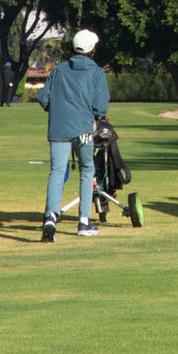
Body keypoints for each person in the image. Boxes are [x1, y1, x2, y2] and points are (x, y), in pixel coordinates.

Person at [39, 29, 110, 243]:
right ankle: (84, 221)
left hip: (58, 128)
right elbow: (100, 106)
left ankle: (50, 216)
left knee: (57, 171)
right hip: (84, 130)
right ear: (92, 51)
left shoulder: (59, 70)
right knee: (87, 169)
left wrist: (58, 109)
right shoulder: (97, 72)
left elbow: (44, 98)